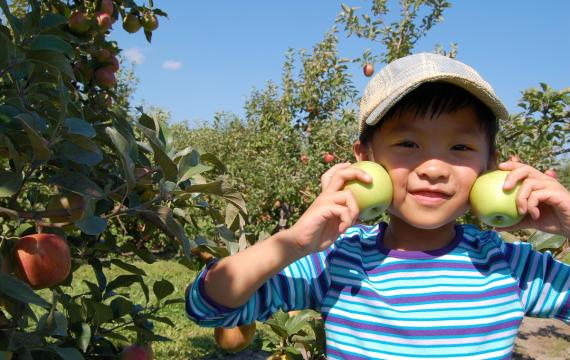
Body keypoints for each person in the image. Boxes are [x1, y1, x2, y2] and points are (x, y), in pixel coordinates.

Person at [186, 53, 570, 359]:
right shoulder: (337, 260)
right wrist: (294, 243)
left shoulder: (510, 265)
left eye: (461, 147)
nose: (434, 169)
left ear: (489, 164)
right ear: (365, 157)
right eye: (407, 144)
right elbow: (209, 307)